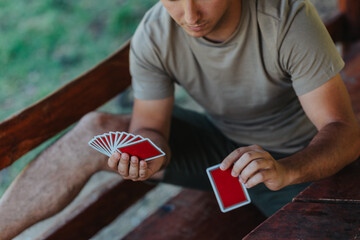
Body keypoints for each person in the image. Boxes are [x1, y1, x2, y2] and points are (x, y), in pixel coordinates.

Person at [1, 0, 359, 239]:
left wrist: (287, 170)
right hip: (222, 145)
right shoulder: (155, 33)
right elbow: (151, 129)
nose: (190, 15)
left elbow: (344, 131)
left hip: (302, 161)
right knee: (92, 132)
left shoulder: (288, 18)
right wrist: (150, 155)